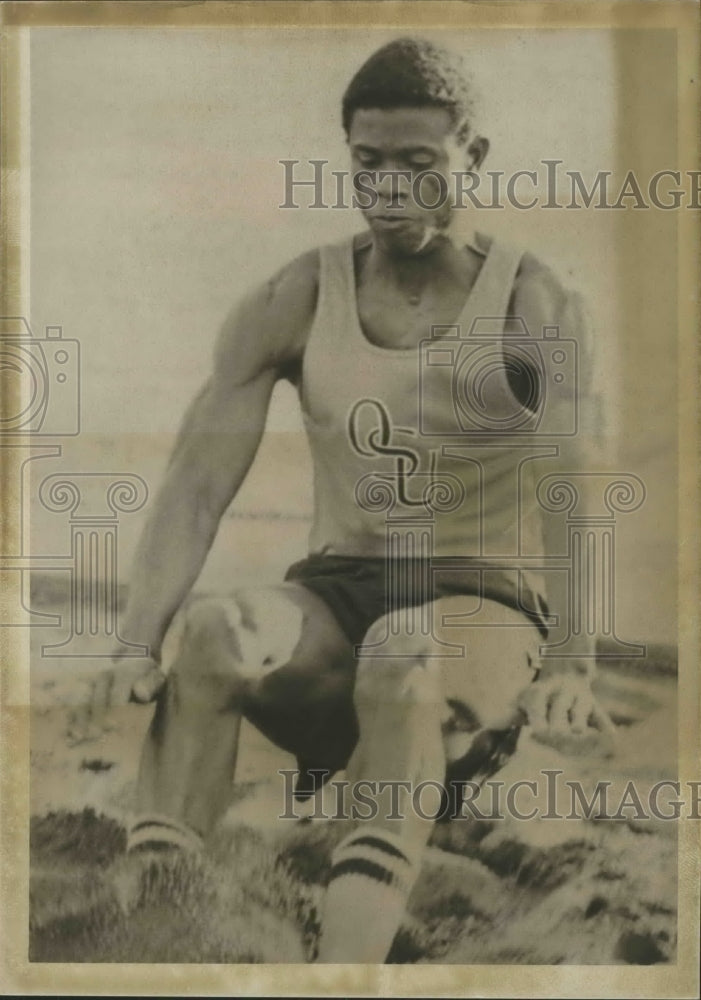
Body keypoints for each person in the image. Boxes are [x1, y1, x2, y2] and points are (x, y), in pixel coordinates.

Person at [90, 37, 613, 963]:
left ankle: (346, 966)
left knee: (403, 655)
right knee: (213, 633)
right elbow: (198, 482)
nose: (390, 190)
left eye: (419, 165)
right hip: (336, 605)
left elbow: (574, 487)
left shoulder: (534, 301)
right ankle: (160, 923)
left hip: (473, 622)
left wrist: (571, 661)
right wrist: (139, 636)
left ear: (473, 158)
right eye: (368, 165)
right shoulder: (296, 293)